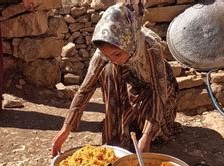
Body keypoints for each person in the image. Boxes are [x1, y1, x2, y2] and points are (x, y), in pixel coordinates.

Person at [51, 4, 181, 155]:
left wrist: (147, 135)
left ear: (129, 42)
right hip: (132, 84)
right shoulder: (105, 54)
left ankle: (142, 127)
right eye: (108, 55)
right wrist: (66, 128)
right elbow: (85, 89)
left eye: (117, 54)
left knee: (150, 130)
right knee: (107, 70)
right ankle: (116, 136)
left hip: (157, 88)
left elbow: (159, 93)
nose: (113, 59)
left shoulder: (150, 46)